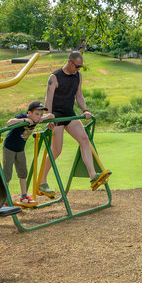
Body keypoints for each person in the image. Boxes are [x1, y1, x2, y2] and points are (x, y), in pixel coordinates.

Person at [36, 50, 110, 194]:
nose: (78, 69)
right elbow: (48, 99)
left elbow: (79, 96)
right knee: (56, 151)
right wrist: (49, 116)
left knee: (84, 139)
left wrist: (85, 110)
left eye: (80, 67)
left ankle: (93, 176)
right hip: (56, 116)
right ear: (70, 62)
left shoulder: (77, 76)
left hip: (69, 114)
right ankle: (42, 182)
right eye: (77, 66)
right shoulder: (55, 77)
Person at [2, 100, 49, 205]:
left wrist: (44, 118)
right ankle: (4, 199)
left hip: (20, 149)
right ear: (29, 113)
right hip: (9, 148)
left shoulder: (37, 120)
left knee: (23, 173)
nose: (39, 116)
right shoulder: (23, 117)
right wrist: (24, 120)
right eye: (37, 114)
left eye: (41, 114)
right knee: (7, 174)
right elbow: (9, 122)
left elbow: (51, 115)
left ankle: (23, 196)